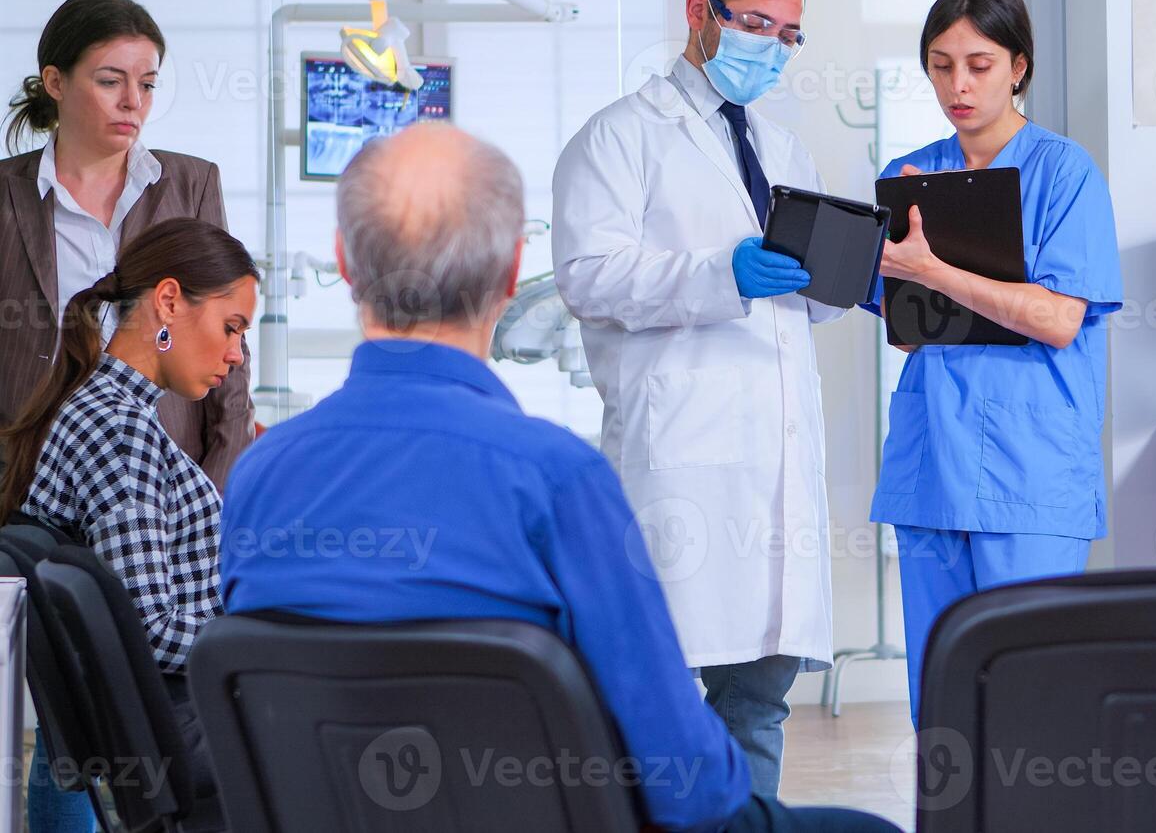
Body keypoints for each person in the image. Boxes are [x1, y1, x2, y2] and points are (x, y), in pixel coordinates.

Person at [221, 123, 894, 833]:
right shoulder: (556, 481)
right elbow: (687, 788)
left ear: (343, 262)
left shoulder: (259, 475)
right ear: (513, 274)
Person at [551, 0, 842, 795]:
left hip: (777, 468)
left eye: (790, 34)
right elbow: (587, 278)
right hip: (681, 463)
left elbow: (801, 310)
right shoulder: (618, 137)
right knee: (658, 704)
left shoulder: (788, 155)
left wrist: (840, 282)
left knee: (760, 701)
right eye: (756, 22)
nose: (772, 46)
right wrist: (723, 274)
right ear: (699, 11)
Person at [869, 0, 1124, 724]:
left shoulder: (1065, 172)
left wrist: (935, 270)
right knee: (941, 706)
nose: (959, 84)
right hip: (933, 466)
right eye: (941, 64)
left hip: (1031, 471)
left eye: (979, 64)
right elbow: (907, 325)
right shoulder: (912, 173)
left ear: (1018, 66)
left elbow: (1056, 318)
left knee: (1029, 704)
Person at [0, 216, 257, 826]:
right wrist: (261, 639)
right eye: (231, 327)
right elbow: (150, 627)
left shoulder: (102, 410)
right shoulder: (121, 431)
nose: (236, 354)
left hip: (183, 721)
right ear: (168, 302)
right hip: (193, 726)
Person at [0, 0, 254, 489]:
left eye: (148, 84)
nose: (132, 102)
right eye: (109, 81)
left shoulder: (191, 185)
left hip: (169, 485)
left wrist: (217, 493)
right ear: (55, 81)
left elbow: (230, 336)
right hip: (32, 488)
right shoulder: (7, 196)